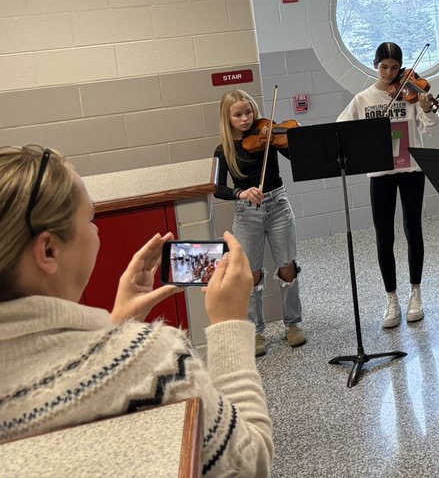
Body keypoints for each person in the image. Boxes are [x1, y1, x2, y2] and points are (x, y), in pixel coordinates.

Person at [0, 145, 272, 476]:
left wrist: (115, 330)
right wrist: (229, 323)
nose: (96, 229)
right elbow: (249, 461)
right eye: (89, 217)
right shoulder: (153, 360)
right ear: (48, 250)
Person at [338, 41, 439, 328]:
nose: (390, 73)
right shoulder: (363, 98)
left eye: (395, 67)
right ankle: (391, 298)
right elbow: (342, 128)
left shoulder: (411, 93)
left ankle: (416, 293)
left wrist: (426, 107)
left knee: (413, 230)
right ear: (375, 65)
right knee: (384, 237)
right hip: (381, 174)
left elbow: (432, 128)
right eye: (384, 67)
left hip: (411, 170)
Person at [213, 88, 305, 356]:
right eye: (238, 114)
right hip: (246, 212)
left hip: (277, 204)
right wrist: (240, 192)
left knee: (287, 266)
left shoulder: (269, 138)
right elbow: (217, 188)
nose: (245, 119)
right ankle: (255, 331)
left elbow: (297, 156)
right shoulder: (224, 150)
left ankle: (293, 325)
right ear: (227, 118)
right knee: (251, 274)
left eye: (248, 112)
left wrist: (290, 137)